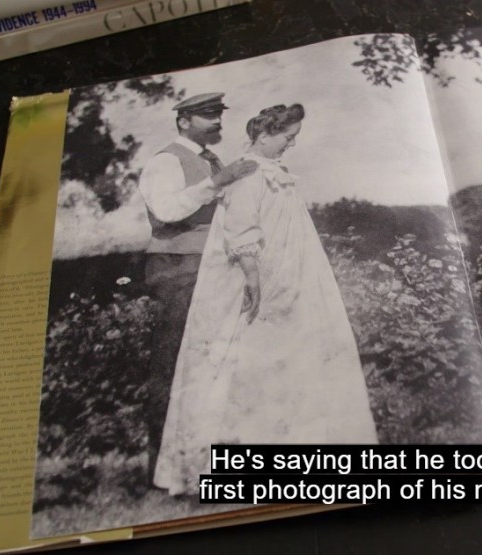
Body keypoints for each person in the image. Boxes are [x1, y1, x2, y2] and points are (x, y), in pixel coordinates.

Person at [153, 104, 378, 495]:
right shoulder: (247, 172)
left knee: (290, 357)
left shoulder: (277, 173)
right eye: (287, 137)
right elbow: (241, 228)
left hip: (289, 275)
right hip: (254, 276)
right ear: (262, 136)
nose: (291, 144)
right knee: (246, 360)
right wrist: (254, 279)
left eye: (294, 137)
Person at [139, 92, 257, 482]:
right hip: (179, 267)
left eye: (219, 114)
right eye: (208, 115)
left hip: (215, 266)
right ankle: (162, 469)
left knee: (213, 362)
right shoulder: (166, 161)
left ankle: (202, 460)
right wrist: (217, 182)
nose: (217, 121)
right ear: (184, 121)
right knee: (173, 362)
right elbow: (166, 211)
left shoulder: (213, 160)